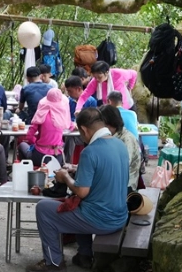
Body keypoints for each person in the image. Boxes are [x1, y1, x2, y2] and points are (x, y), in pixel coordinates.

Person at [26, 108, 129, 271]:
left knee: (43, 208)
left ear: (84, 130)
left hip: (102, 220)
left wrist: (65, 177)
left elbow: (81, 191)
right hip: (120, 216)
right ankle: (84, 255)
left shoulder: (90, 152)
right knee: (81, 205)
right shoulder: (120, 144)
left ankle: (53, 263)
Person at [19, 88, 74, 167]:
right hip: (57, 158)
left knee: (22, 145)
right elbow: (72, 126)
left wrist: (36, 143)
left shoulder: (41, 115)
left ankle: (26, 169)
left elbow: (29, 136)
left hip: (39, 156)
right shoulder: (64, 116)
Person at [99, 105, 141, 193]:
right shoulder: (109, 136)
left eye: (103, 125)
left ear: (111, 123)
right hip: (113, 181)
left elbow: (121, 167)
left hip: (125, 185)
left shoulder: (126, 139)